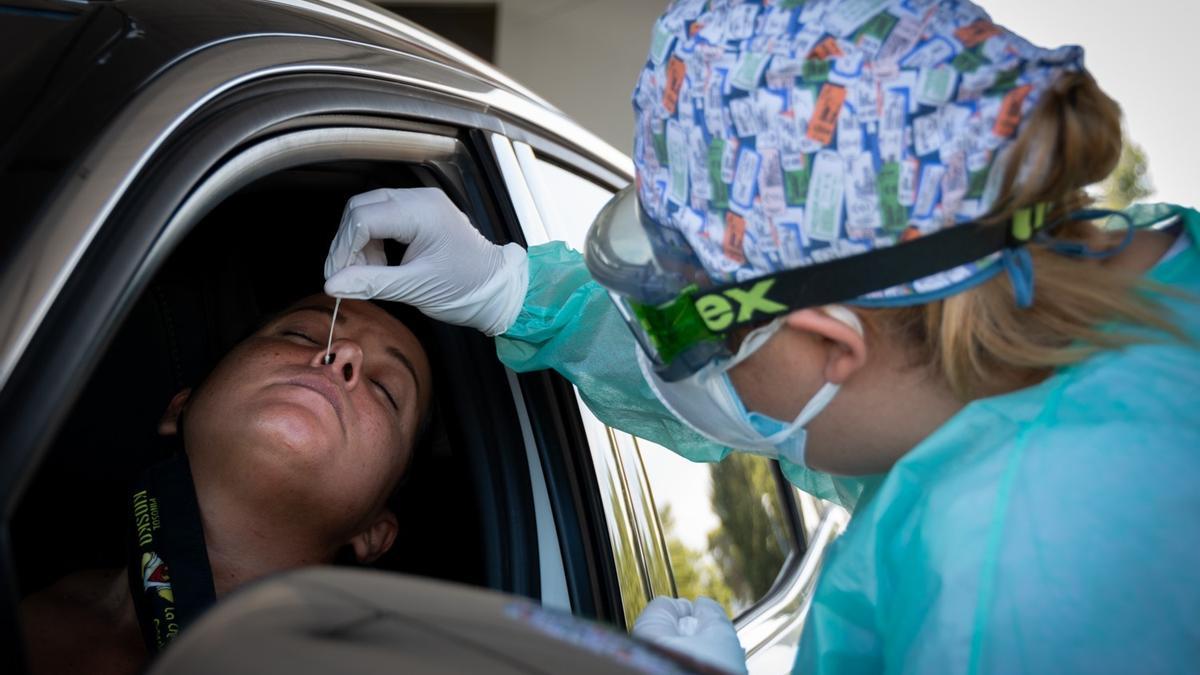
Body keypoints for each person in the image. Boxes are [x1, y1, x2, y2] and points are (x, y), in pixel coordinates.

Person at [322, 1, 1200, 672]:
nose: (682, 367)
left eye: (691, 334)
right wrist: (513, 292)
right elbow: (784, 341)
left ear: (834, 344)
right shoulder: (1059, 312)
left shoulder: (1020, 575)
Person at [19, 295, 433, 675]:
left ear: (375, 531)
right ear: (182, 407)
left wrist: (501, 308)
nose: (344, 353)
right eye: (301, 334)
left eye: (385, 389)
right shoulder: (23, 583)